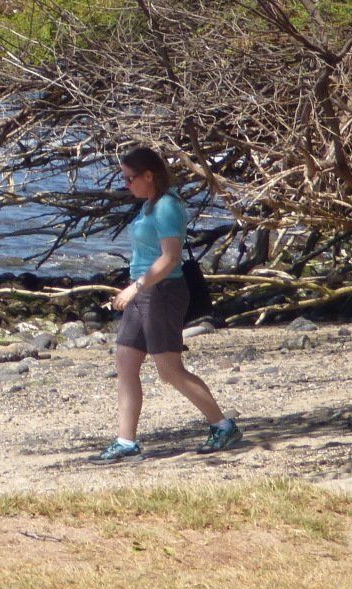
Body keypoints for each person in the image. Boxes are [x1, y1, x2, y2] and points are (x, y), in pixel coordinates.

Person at [97, 147, 243, 462]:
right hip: (144, 290)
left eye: (130, 178)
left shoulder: (167, 206)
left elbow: (170, 258)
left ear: (149, 175)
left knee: (169, 370)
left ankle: (223, 425)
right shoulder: (150, 205)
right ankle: (125, 441)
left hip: (161, 291)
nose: (127, 185)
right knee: (125, 363)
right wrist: (134, 288)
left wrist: (134, 288)